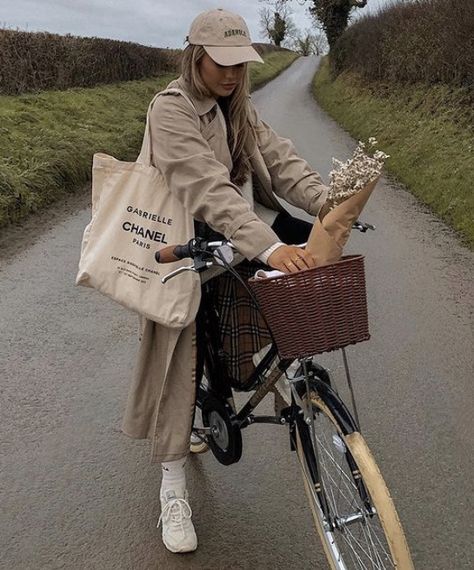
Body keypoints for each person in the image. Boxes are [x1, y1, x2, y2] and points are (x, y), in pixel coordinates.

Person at [121, 8, 329, 554]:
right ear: (196, 55)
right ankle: (172, 488)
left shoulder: (238, 107)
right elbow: (206, 187)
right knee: (177, 366)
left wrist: (331, 203)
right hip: (179, 252)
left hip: (233, 244)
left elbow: (280, 161)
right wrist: (273, 245)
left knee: (258, 321)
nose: (234, 73)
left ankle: (245, 389)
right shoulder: (171, 110)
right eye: (223, 62)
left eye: (242, 62)